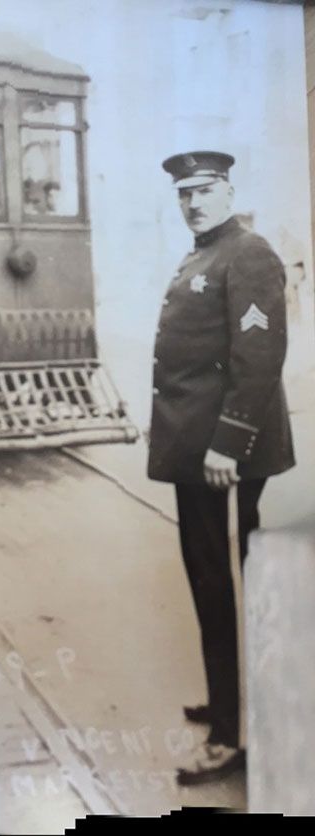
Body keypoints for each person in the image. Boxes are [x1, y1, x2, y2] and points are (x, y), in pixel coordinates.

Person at [150, 151, 295, 785]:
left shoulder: (248, 252)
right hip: (197, 447)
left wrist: (228, 445)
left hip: (226, 453)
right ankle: (228, 703)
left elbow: (259, 357)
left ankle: (233, 736)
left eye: (204, 190)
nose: (194, 202)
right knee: (211, 581)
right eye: (184, 194)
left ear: (229, 189)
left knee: (232, 586)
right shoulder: (204, 252)